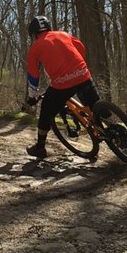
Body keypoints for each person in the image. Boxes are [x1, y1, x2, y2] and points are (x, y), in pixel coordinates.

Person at [26, 15, 101, 158]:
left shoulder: (35, 47)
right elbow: (81, 49)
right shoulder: (64, 34)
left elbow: (33, 75)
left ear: (34, 33)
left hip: (62, 84)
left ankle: (40, 147)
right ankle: (112, 129)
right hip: (83, 75)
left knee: (46, 111)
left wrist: (32, 96)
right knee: (95, 105)